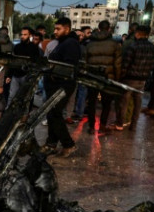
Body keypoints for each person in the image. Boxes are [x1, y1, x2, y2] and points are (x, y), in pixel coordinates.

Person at [40, 17, 80, 157]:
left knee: (55, 114)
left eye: (58, 29)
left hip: (62, 85)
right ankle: (51, 143)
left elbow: (68, 66)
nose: (55, 31)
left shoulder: (70, 44)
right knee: (52, 114)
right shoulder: (62, 42)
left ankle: (68, 144)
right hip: (55, 85)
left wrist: (54, 75)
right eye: (55, 28)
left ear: (67, 29)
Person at [84, 20, 122, 134]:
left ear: (99, 29)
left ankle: (91, 127)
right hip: (108, 78)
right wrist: (117, 79)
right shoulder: (115, 44)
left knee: (92, 102)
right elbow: (118, 64)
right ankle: (102, 126)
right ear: (109, 29)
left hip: (92, 77)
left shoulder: (89, 44)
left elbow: (85, 63)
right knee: (106, 104)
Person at [118, 25, 154, 131]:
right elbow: (152, 64)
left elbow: (126, 63)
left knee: (124, 102)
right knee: (138, 103)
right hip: (142, 79)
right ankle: (133, 125)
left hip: (130, 78)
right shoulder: (152, 47)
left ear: (137, 33)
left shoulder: (133, 46)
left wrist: (122, 75)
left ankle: (120, 123)